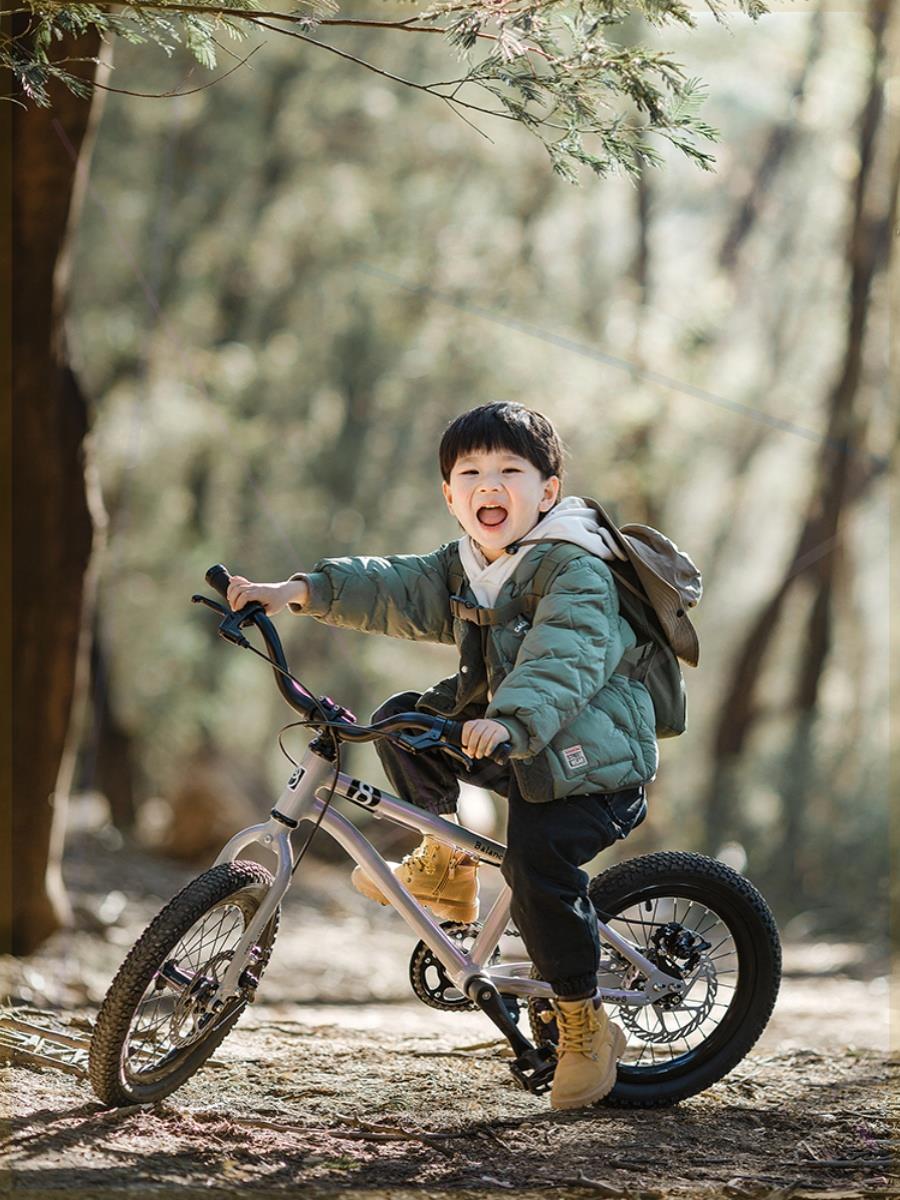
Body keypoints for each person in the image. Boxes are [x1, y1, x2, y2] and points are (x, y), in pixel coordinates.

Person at [226, 401, 658, 1110]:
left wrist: (511, 720)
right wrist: (293, 592)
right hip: (521, 745)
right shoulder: (467, 564)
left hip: (590, 762)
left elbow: (567, 658)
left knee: (536, 866)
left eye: (511, 471)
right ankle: (445, 866)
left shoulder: (577, 568)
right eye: (472, 472)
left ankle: (585, 1026)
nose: (491, 484)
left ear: (548, 492)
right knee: (403, 719)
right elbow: (391, 585)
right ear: (450, 494)